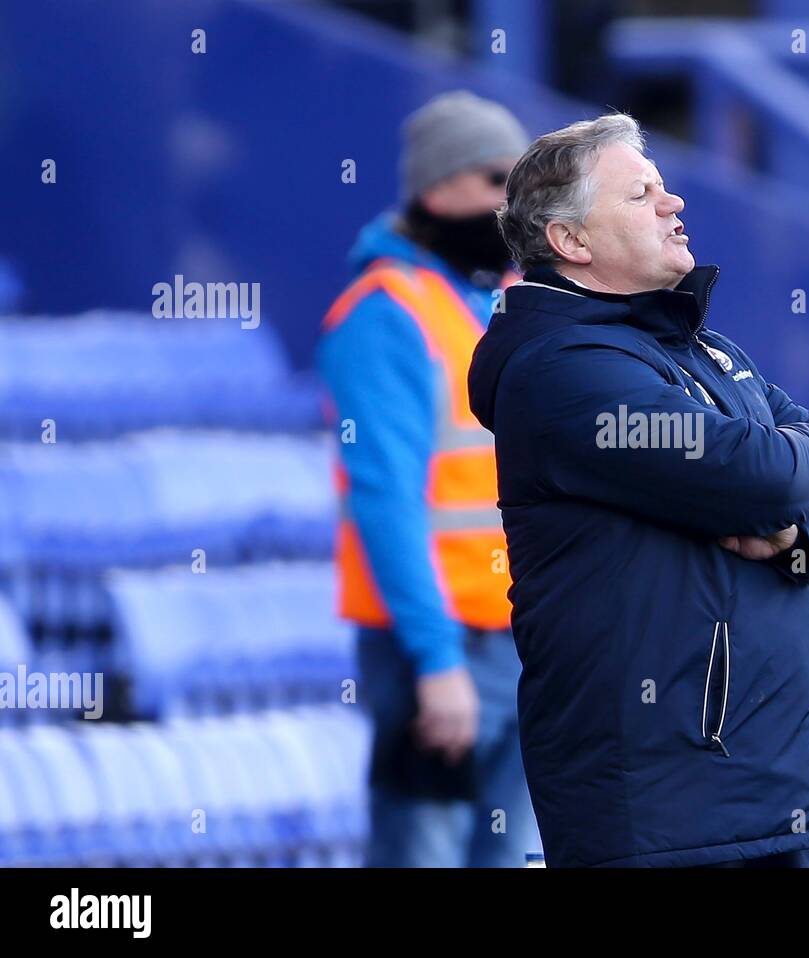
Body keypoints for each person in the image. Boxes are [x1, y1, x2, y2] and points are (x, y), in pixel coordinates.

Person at [466, 112, 809, 867]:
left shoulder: (704, 349)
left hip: (767, 794)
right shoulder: (564, 368)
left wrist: (801, 544)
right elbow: (766, 476)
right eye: (640, 194)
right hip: (667, 818)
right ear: (572, 242)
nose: (673, 204)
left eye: (663, 187)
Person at [317, 90, 539, 867]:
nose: (514, 205)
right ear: (436, 190)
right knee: (425, 854)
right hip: (437, 646)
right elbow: (385, 500)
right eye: (496, 181)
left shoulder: (498, 305)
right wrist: (435, 662)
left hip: (521, 640)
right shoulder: (387, 313)